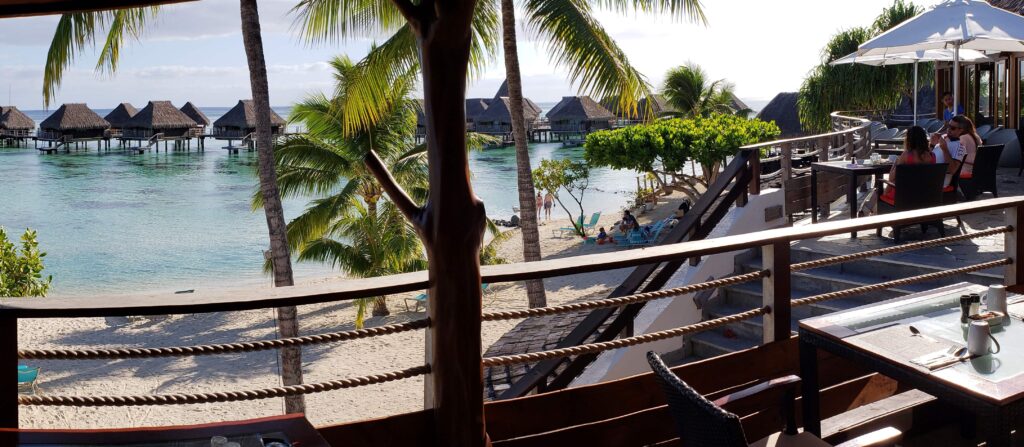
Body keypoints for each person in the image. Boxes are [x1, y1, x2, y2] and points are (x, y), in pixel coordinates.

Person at [880, 126, 935, 206]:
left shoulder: (907, 155)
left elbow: (891, 177)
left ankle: (866, 212)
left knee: (878, 191)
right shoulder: (932, 156)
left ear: (909, 139)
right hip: (925, 196)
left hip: (904, 197)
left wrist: (896, 162)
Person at [931, 115, 980, 180]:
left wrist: (940, 141)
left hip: (964, 170)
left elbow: (952, 149)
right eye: (948, 126)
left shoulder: (963, 138)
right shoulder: (974, 136)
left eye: (952, 128)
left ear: (961, 130)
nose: (948, 129)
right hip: (972, 170)